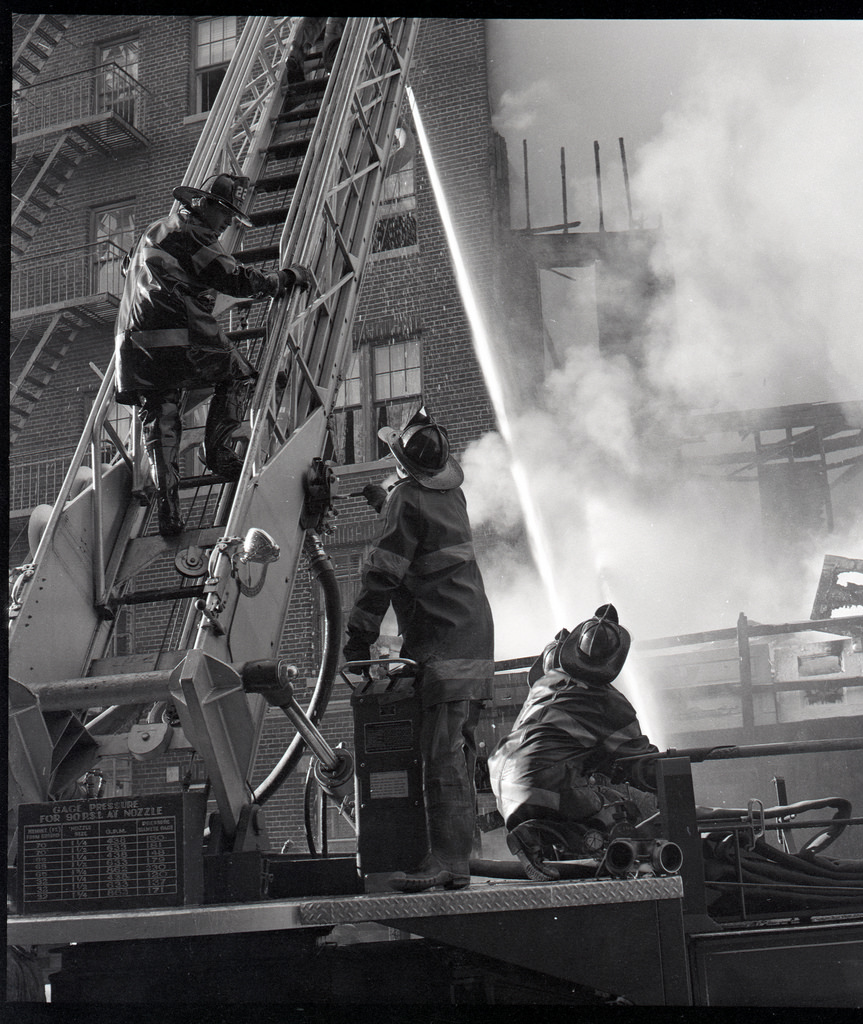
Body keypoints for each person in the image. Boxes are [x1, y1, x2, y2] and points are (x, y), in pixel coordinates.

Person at [342, 406, 494, 893]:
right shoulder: (452, 494)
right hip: (470, 636)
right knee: (457, 751)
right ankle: (457, 858)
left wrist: (358, 636)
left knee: (441, 755)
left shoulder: (406, 498)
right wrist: (384, 504)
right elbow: (423, 526)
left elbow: (384, 570)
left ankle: (448, 861)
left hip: (445, 643)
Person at [114, 173, 310, 536]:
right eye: (226, 215)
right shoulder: (195, 234)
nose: (227, 225)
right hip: (179, 334)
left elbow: (131, 270)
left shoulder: (153, 231)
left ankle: (169, 513)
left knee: (161, 424)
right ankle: (217, 452)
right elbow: (234, 279)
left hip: (134, 347)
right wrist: (283, 279)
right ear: (204, 205)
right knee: (237, 375)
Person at [488, 604, 659, 881]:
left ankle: (542, 839)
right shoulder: (608, 704)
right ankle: (542, 837)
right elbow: (639, 762)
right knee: (624, 805)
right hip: (543, 785)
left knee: (582, 792)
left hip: (505, 788)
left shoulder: (544, 687)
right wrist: (665, 777)